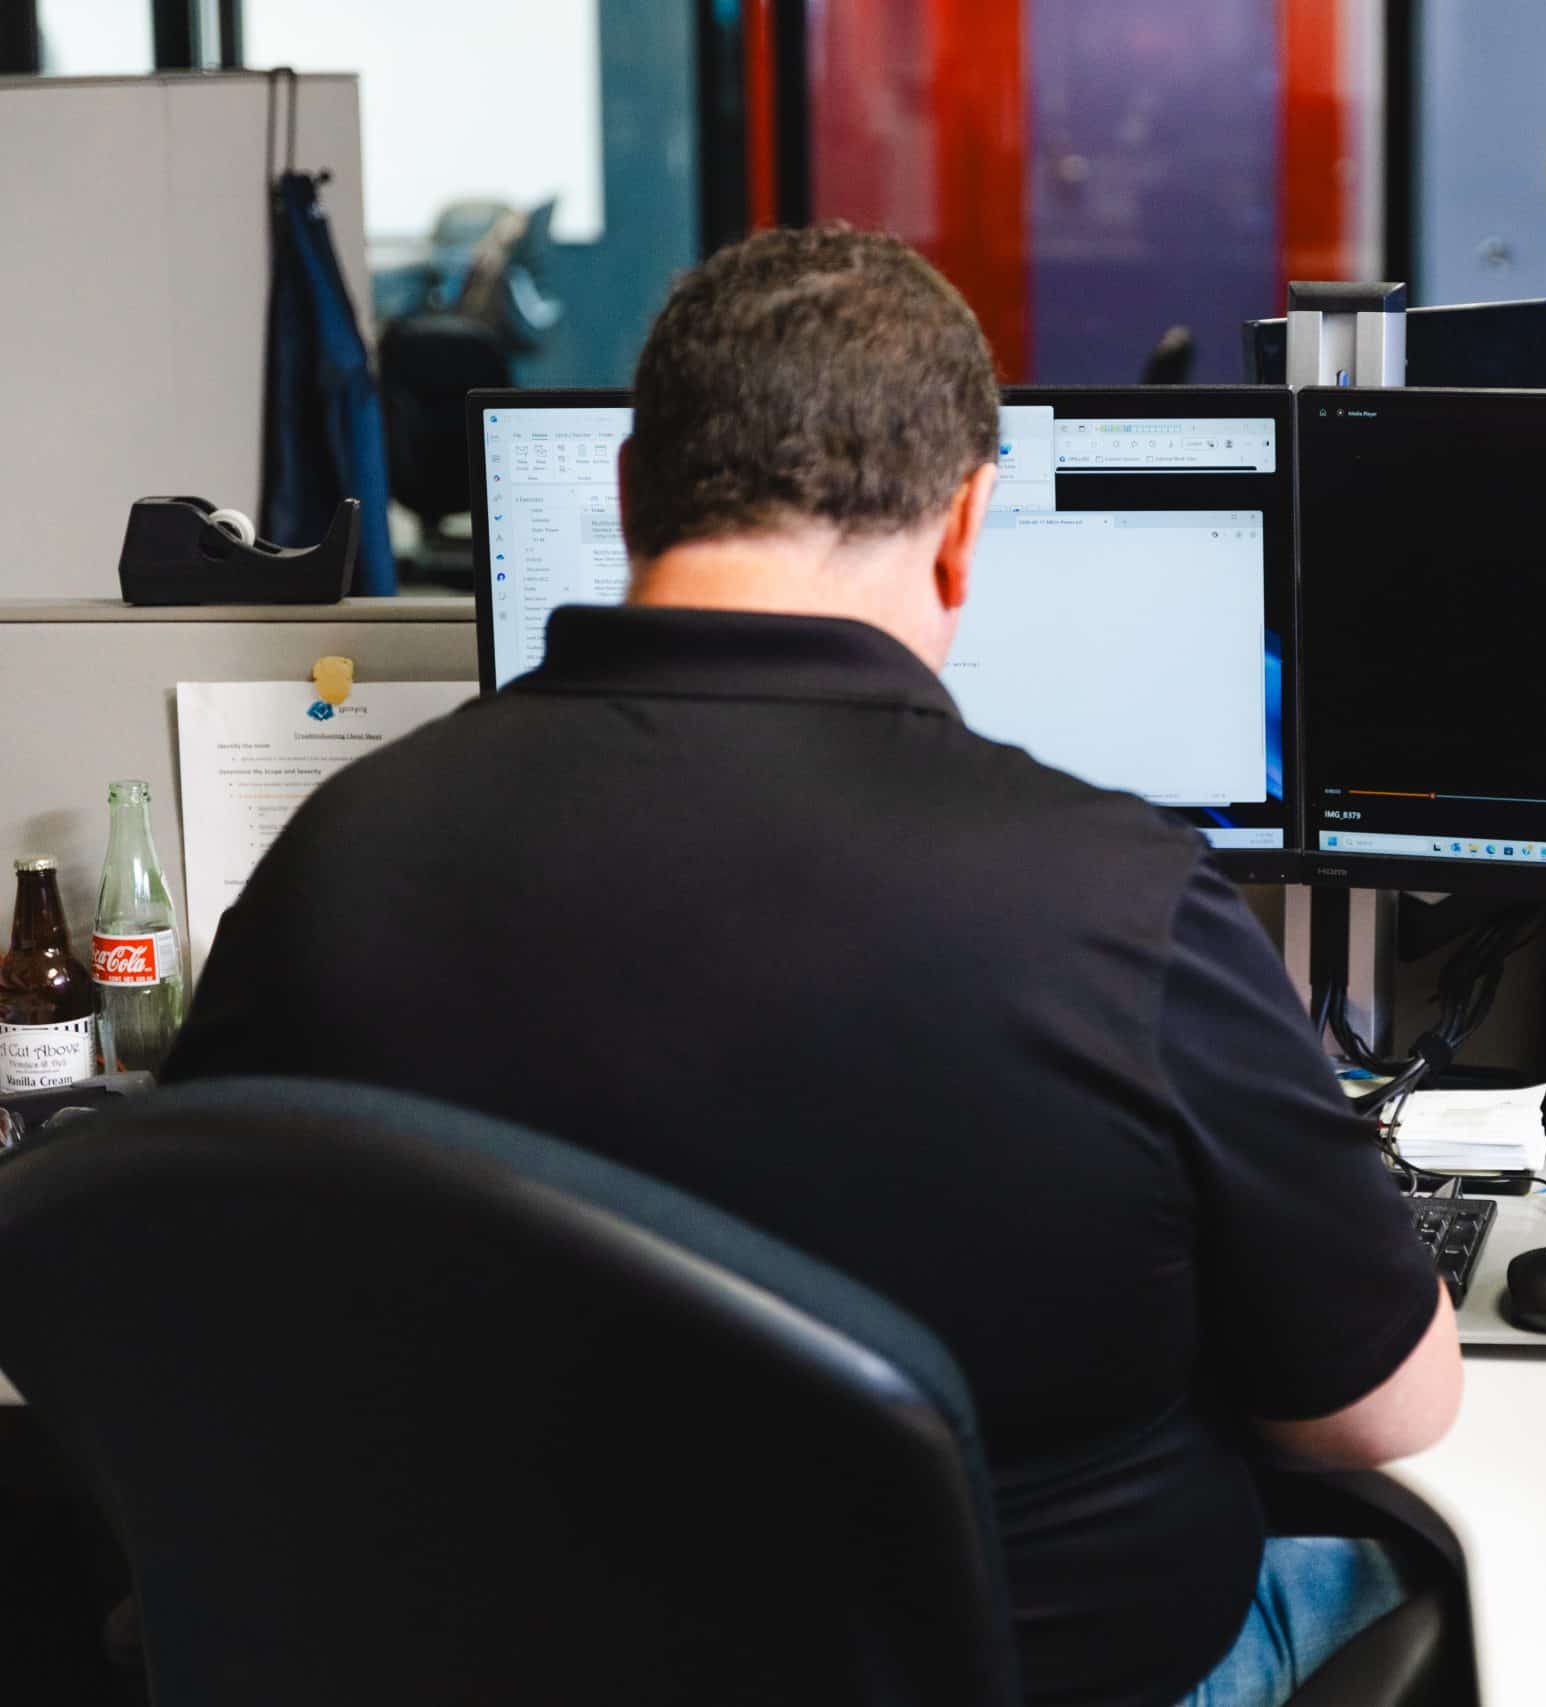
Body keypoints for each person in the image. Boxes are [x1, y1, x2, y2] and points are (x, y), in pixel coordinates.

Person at [162, 226, 1461, 1707]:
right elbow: (1386, 1413)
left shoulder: (339, 857)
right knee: (1422, 1574)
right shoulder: (1122, 903)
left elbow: (196, 1315)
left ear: (631, 491)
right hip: (1051, 1675)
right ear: (968, 524)